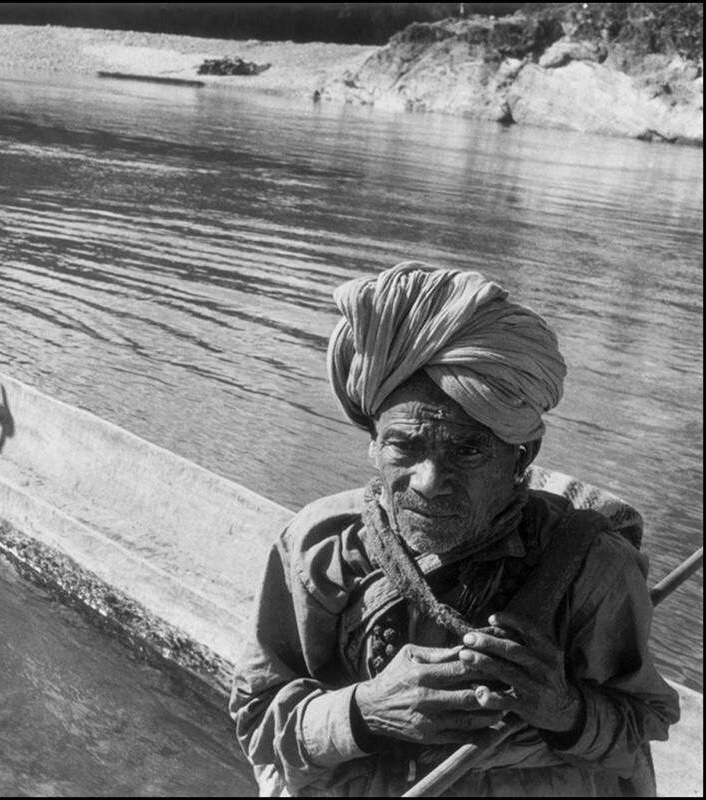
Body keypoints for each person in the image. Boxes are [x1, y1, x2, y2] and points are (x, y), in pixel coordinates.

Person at [229, 262, 680, 796]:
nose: (429, 482)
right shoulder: (319, 547)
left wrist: (566, 709)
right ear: (374, 444)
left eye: (467, 450)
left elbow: (642, 726)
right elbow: (258, 721)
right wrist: (364, 710)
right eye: (404, 446)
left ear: (521, 458)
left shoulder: (594, 568)